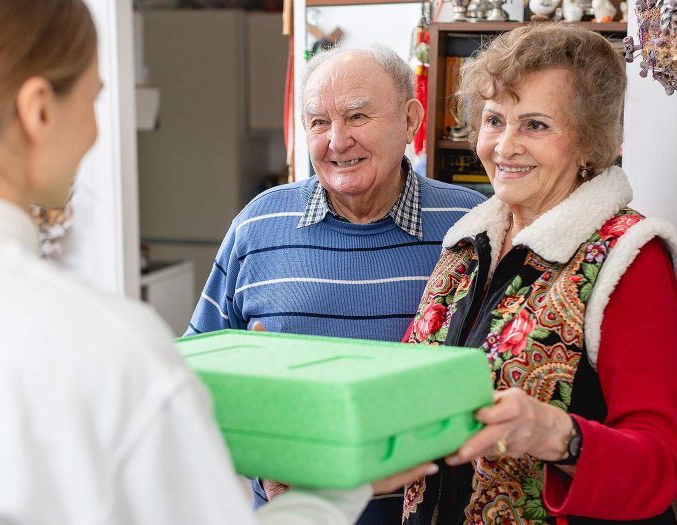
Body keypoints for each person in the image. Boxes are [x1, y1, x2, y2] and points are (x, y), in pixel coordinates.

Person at [0, 1, 433, 523]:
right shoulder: (104, 344)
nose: (95, 132)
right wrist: (338, 488)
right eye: (94, 100)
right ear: (39, 110)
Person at [400, 24, 677, 525]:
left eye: (536, 125)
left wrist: (555, 434)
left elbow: (662, 465)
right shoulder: (466, 247)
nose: (505, 146)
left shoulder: (629, 257)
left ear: (590, 143)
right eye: (494, 120)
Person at [185, 43, 486, 522]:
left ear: (411, 120)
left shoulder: (472, 228)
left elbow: (501, 377)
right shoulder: (258, 224)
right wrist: (260, 461)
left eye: (357, 117)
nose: (336, 141)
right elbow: (192, 382)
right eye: (318, 123)